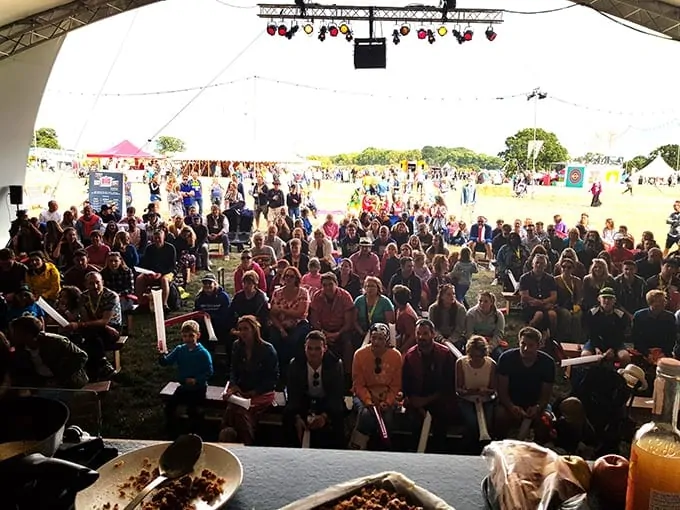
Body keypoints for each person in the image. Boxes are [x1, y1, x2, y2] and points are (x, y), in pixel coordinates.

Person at [219, 315, 278, 445]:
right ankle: (227, 441)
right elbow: (233, 370)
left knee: (240, 412)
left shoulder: (267, 349)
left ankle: (246, 443)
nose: (243, 332)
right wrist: (234, 386)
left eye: (246, 329)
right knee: (231, 409)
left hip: (262, 392)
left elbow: (272, 379)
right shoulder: (237, 346)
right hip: (242, 391)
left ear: (254, 330)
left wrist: (255, 391)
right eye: (240, 329)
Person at [284, 330, 345, 449]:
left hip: (326, 402)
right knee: (288, 415)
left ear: (325, 348)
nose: (313, 353)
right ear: (304, 348)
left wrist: (324, 416)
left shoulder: (335, 365)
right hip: (304, 401)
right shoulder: (295, 364)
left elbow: (336, 394)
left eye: (317, 349)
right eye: (309, 348)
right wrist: (298, 416)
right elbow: (293, 394)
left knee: (338, 415)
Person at [402, 319, 456, 453]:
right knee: (414, 422)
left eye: (425, 333)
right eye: (418, 334)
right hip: (417, 400)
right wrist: (416, 403)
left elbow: (449, 385)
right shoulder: (410, 356)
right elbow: (406, 384)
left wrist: (427, 401)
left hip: (439, 399)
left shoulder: (445, 354)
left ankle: (440, 454)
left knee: (441, 419)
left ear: (432, 334)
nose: (421, 337)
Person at [496, 326, 555, 443]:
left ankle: (540, 447)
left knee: (545, 420)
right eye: (523, 344)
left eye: (531, 345)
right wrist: (511, 406)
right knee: (500, 415)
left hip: (535, 403)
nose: (526, 348)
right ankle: (499, 442)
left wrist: (538, 408)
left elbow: (546, 395)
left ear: (539, 346)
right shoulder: (506, 358)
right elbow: (502, 391)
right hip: (511, 402)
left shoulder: (548, 363)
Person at [349, 323, 402, 450]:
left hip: (386, 396)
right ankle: (357, 448)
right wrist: (368, 401)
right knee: (366, 415)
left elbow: (396, 385)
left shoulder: (396, 356)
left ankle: (383, 451)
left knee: (387, 419)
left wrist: (387, 401)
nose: (376, 342)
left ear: (387, 340)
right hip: (364, 395)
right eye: (374, 338)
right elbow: (358, 384)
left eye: (381, 339)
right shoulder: (359, 355)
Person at [158, 319, 213, 438]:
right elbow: (166, 362)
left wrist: (197, 380)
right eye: (184, 336)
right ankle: (172, 429)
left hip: (198, 388)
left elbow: (209, 372)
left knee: (193, 409)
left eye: (191, 336)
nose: (187, 339)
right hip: (183, 387)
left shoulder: (203, 353)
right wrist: (161, 354)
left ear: (198, 335)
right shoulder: (180, 350)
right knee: (170, 405)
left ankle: (194, 433)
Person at [9, 315, 88, 389]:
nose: (13, 335)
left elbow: (81, 356)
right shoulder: (20, 349)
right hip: (43, 386)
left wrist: (61, 377)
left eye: (17, 333)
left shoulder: (56, 341)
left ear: (28, 334)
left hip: (68, 384)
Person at [455, 335, 496, 449]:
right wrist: (470, 392)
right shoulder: (461, 363)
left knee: (487, 423)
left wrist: (486, 392)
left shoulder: (491, 365)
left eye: (478, 356)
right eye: (472, 356)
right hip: (466, 400)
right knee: (472, 422)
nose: (474, 359)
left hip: (486, 400)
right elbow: (458, 389)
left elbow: (493, 390)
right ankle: (469, 447)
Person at [583, 287, 631, 365]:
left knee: (625, 357)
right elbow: (590, 333)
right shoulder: (591, 313)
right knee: (585, 356)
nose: (607, 301)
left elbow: (621, 335)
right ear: (599, 299)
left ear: (614, 300)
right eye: (604, 298)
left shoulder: (621, 315)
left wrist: (612, 349)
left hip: (615, 343)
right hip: (595, 342)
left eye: (610, 298)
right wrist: (596, 348)